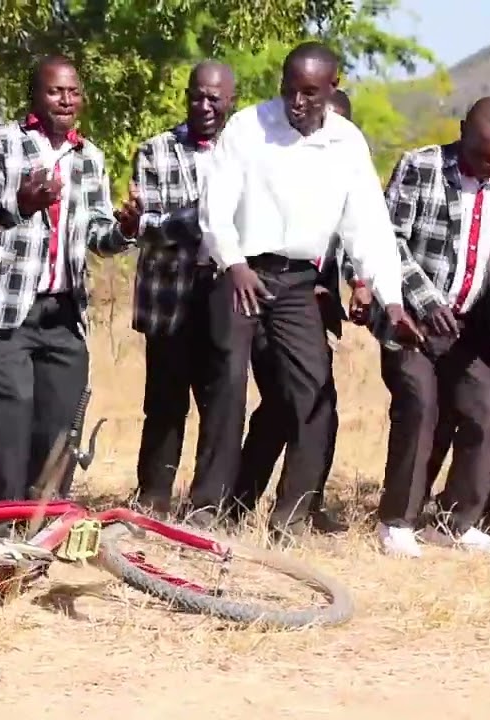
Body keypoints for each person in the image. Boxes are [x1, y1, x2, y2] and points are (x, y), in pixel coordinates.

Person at [195, 41, 410, 542]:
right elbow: (216, 205)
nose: (297, 102)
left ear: (332, 88)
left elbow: (368, 228)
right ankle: (208, 508)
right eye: (290, 90)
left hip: (298, 281)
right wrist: (233, 261)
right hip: (240, 272)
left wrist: (391, 297)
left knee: (314, 395)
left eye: (310, 93)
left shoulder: (347, 144)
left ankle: (291, 516)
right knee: (226, 385)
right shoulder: (249, 128)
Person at [0, 54, 136, 537]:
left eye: (74, 92)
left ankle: (41, 536)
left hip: (61, 314)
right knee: (8, 430)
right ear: (35, 95)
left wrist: (126, 228)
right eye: (56, 91)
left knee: (60, 432)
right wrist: (21, 203)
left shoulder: (89, 157)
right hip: (2, 313)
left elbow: (99, 235)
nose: (66, 100)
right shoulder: (2, 141)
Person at [375, 97, 490, 557]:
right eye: (480, 154)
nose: (488, 167)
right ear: (462, 130)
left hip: (465, 327)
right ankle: (397, 521)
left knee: (487, 402)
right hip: (411, 323)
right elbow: (387, 241)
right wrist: (425, 299)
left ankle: (453, 521)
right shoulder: (420, 167)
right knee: (420, 405)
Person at [228, 89, 371, 534]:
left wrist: (358, 283)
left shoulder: (344, 170)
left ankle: (296, 506)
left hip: (311, 311)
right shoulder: (277, 169)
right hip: (266, 298)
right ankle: (259, 506)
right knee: (291, 405)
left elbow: (354, 238)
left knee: (307, 405)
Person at [128, 60, 236, 516]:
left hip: (226, 291)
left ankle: (207, 505)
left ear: (232, 99)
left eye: (214, 97)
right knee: (165, 403)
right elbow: (147, 228)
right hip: (170, 293)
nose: (204, 105)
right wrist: (209, 216)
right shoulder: (155, 150)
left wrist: (183, 219)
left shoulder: (244, 152)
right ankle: (152, 499)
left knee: (223, 401)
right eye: (197, 95)